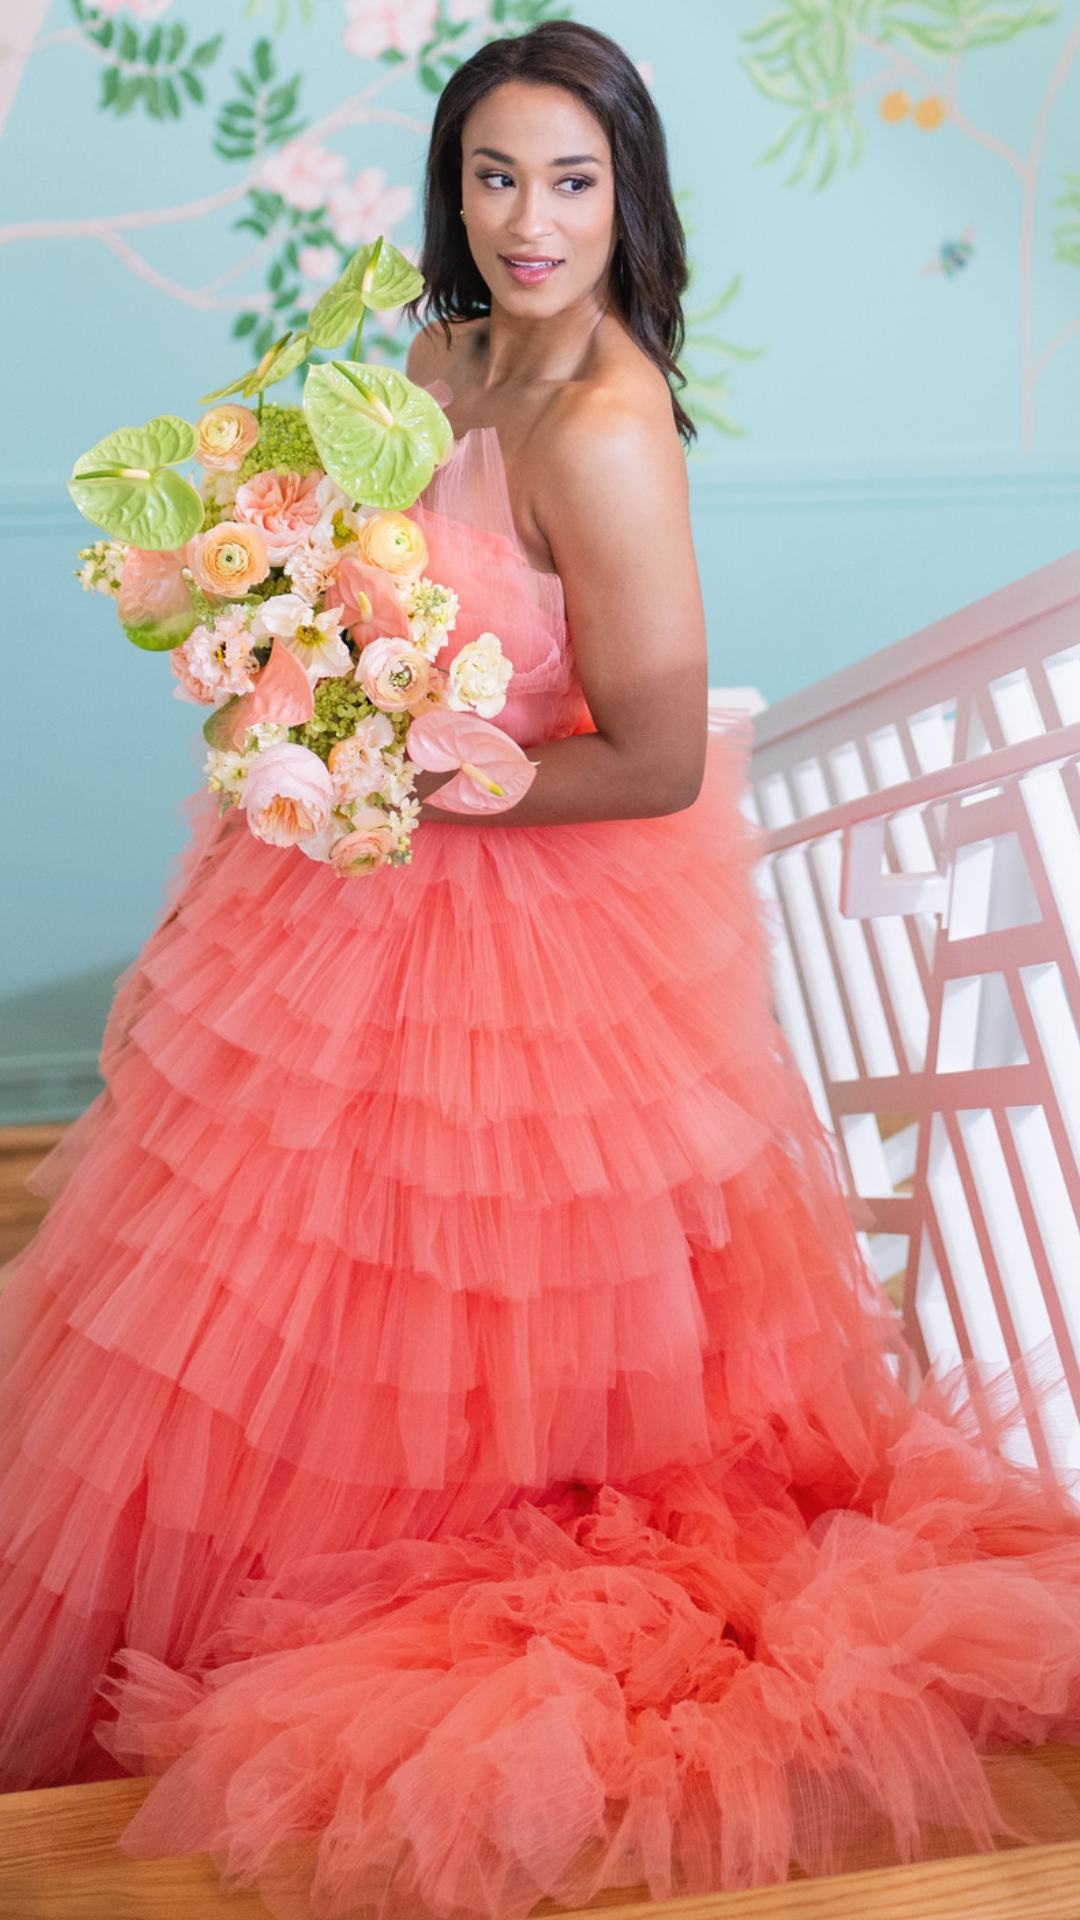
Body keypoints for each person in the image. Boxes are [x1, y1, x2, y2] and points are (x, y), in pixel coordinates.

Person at [4, 20, 1080, 1920]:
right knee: (260, 1277)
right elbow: (358, 594)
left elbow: (653, 758)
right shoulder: (443, 359)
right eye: (496, 176)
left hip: (515, 912)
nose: (531, 220)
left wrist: (401, 776)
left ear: (626, 196)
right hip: (333, 886)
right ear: (456, 188)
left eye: (572, 181)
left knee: (474, 1311)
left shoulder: (605, 423)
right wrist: (301, 700)